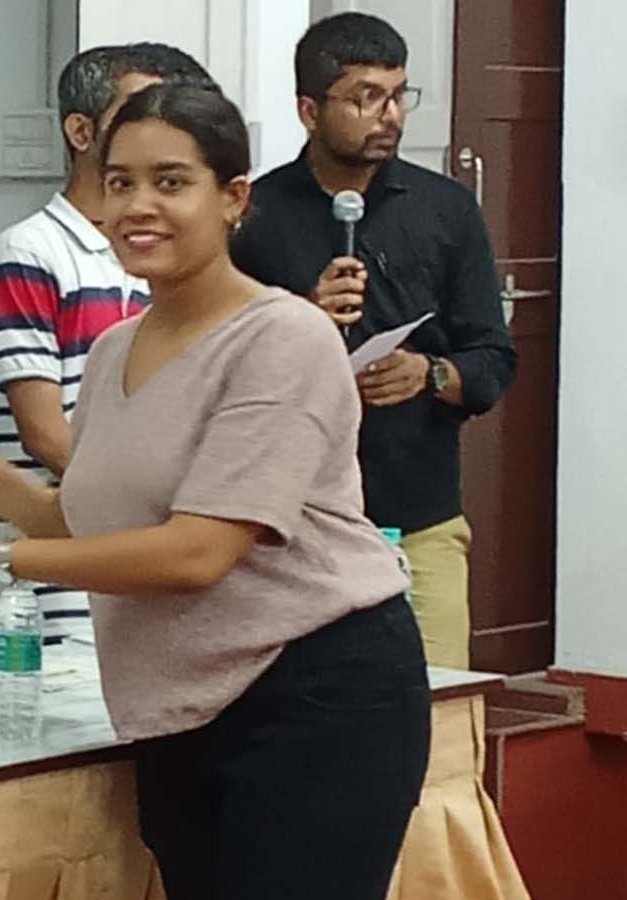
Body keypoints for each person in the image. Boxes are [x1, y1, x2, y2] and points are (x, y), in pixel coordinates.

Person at [0, 84, 429, 900]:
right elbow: (87, 521)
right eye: (119, 183)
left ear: (233, 198)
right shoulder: (116, 349)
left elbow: (196, 553)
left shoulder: (283, 337)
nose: (138, 206)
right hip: (181, 710)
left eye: (171, 182)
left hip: (315, 696)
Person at [231, 12, 516, 668]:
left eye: (398, 95)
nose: (389, 116)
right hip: (289, 526)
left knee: (441, 709)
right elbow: (217, 362)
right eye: (365, 97)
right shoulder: (253, 216)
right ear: (309, 110)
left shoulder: (446, 210)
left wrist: (431, 374)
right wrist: (304, 319)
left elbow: (493, 358)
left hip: (418, 516)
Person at [0, 44, 214, 645]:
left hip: (161, 548)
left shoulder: (163, 253)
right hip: (72, 559)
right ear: (81, 132)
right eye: (137, 113)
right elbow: (44, 433)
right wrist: (153, 512)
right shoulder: (32, 251)